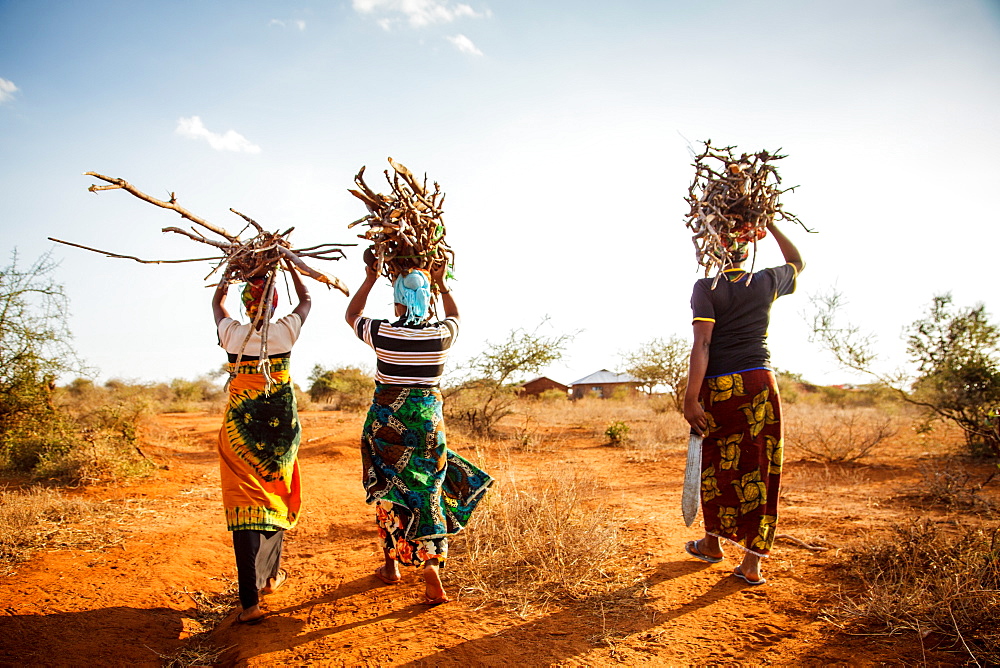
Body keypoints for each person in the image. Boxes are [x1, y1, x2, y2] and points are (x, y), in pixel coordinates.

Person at [345, 256, 493, 605]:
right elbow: (455, 316)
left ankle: (392, 566)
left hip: (386, 428)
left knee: (388, 489)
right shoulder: (442, 335)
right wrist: (442, 283)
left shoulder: (383, 333)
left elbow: (351, 316)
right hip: (428, 426)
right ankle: (428, 573)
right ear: (428, 300)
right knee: (428, 491)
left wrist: (367, 279)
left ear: (396, 298)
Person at [682, 222, 804, 586]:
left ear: (712, 254)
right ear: (746, 253)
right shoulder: (765, 281)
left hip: (721, 387)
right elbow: (797, 260)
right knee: (761, 466)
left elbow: (702, 345)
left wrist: (691, 398)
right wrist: (769, 222)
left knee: (717, 466)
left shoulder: (707, 287)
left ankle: (711, 543)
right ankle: (752, 564)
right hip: (760, 384)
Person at [212, 251, 311, 624]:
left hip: (240, 433)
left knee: (244, 508)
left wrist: (229, 272)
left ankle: (250, 601)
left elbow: (216, 302)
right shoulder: (285, 330)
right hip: (281, 431)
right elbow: (307, 301)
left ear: (246, 303)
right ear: (273, 302)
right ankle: (269, 576)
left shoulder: (232, 334)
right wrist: (291, 268)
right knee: (274, 496)